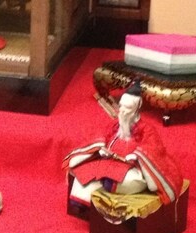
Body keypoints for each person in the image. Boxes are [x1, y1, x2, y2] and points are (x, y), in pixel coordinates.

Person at [64, 83, 183, 219]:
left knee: (127, 180)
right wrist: (102, 148)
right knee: (87, 172)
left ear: (136, 108)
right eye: (121, 106)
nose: (122, 111)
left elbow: (155, 148)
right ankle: (81, 204)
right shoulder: (116, 125)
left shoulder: (147, 130)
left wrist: (137, 155)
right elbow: (103, 136)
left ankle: (109, 186)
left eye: (127, 108)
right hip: (109, 161)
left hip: (132, 168)